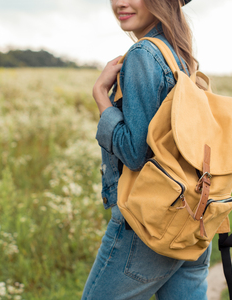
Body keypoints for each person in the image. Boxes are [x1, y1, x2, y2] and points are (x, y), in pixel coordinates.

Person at [82, 0, 211, 299]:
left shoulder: (143, 54)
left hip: (148, 226)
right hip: (192, 216)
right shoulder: (178, 54)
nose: (120, 3)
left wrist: (102, 96)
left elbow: (135, 152)